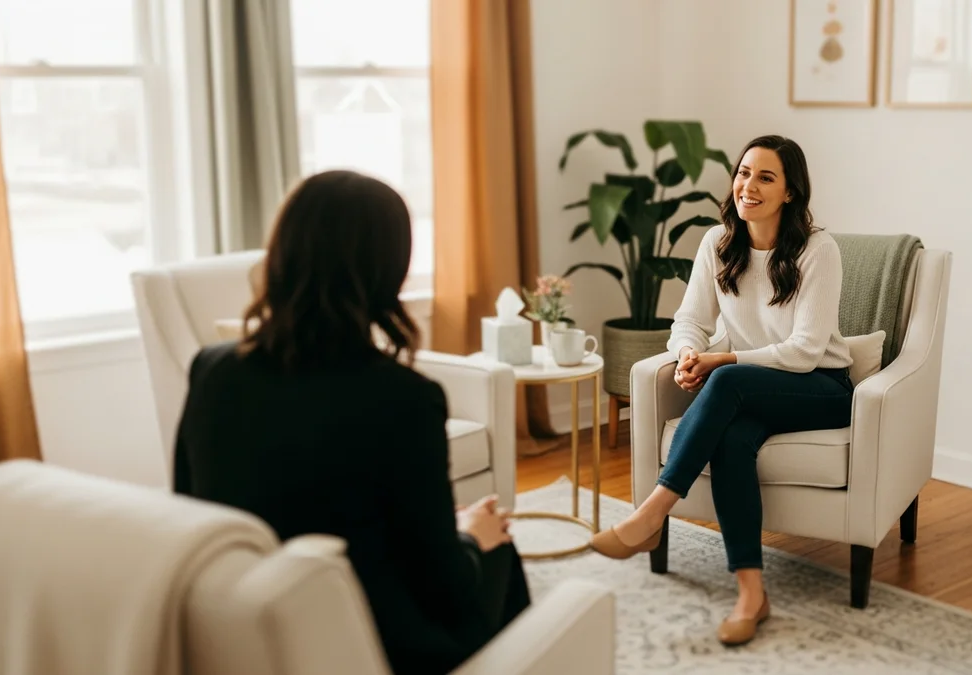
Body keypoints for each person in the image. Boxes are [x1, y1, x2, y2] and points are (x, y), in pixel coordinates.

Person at [172, 169, 531, 674]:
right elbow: (444, 585)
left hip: (245, 628)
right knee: (499, 550)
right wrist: (472, 535)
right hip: (373, 642)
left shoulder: (212, 369)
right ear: (388, 271)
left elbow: (190, 508)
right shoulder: (404, 399)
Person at [590, 135, 854, 646]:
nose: (748, 186)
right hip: (755, 389)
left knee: (727, 377)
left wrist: (721, 361)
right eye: (743, 173)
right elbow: (690, 319)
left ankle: (651, 513)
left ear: (790, 192)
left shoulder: (818, 250)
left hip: (822, 389)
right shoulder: (718, 242)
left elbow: (804, 352)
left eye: (765, 177)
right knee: (732, 441)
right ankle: (752, 594)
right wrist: (689, 354)